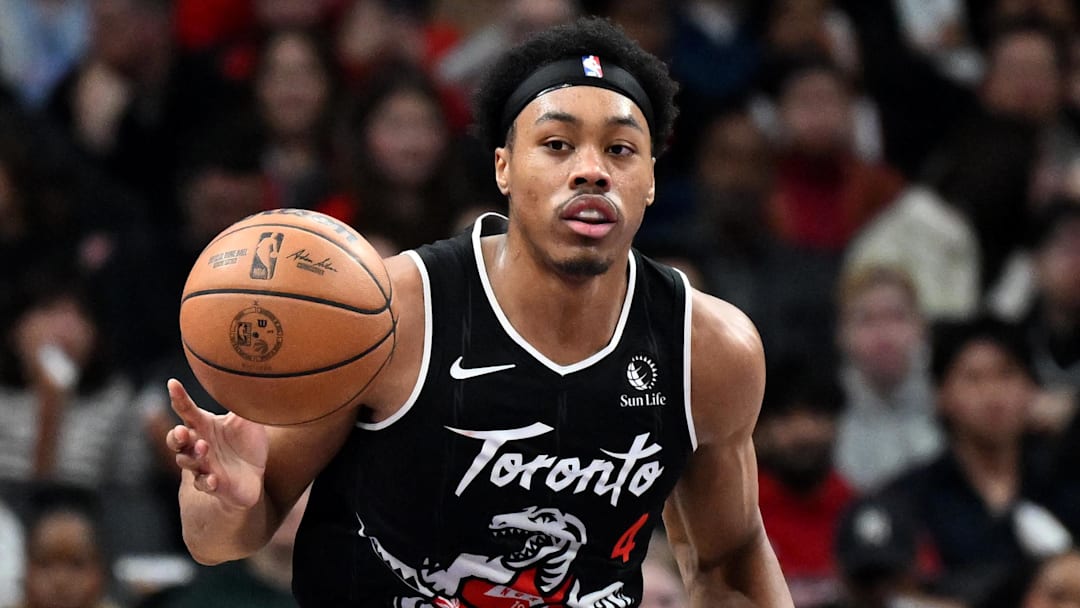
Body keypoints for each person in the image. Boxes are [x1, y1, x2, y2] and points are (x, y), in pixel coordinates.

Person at [165, 16, 794, 608]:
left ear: (651, 179)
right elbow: (219, 540)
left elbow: (730, 557)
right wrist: (225, 497)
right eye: (557, 143)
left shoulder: (708, 349)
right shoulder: (392, 313)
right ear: (504, 168)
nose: (592, 172)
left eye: (622, 150)